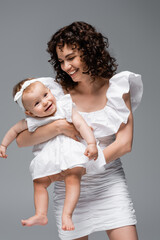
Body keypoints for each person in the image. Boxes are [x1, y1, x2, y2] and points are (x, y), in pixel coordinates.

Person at [16, 21, 143, 240]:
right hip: (69, 192)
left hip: (109, 184)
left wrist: (85, 164)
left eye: (71, 57)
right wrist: (59, 127)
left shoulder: (118, 88)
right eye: (61, 61)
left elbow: (124, 143)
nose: (66, 67)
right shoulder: (55, 92)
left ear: (90, 51)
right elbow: (21, 140)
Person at [0, 77, 106, 231]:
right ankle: (41, 214)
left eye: (45, 95)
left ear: (50, 91)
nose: (45, 102)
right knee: (39, 183)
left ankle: (67, 214)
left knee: (72, 178)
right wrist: (3, 145)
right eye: (37, 103)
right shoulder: (32, 120)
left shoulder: (64, 108)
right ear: (30, 112)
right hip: (49, 159)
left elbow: (81, 124)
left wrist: (91, 143)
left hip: (70, 154)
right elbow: (14, 131)